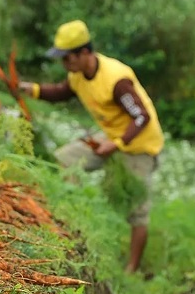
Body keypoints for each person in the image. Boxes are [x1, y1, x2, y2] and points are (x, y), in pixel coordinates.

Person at [18, 19, 164, 274]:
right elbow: (63, 92)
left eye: (67, 58)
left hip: (138, 144)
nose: (65, 65)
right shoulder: (77, 75)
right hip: (108, 136)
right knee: (61, 162)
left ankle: (131, 269)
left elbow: (141, 117)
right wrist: (33, 90)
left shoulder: (116, 80)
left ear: (85, 52)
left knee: (136, 209)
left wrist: (116, 144)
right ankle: (67, 220)